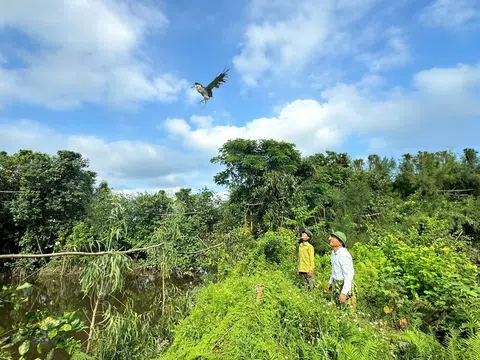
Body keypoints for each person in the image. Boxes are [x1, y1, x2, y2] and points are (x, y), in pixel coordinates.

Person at [326, 231, 356, 311]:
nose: (331, 239)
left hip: (344, 285)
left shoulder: (344, 255)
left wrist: (344, 292)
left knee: (346, 310)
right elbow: (334, 270)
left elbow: (348, 275)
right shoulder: (333, 253)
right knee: (336, 309)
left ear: (340, 242)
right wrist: (330, 282)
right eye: (331, 237)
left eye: (334, 238)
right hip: (336, 284)